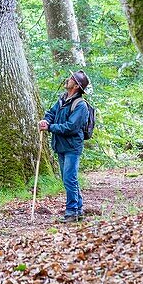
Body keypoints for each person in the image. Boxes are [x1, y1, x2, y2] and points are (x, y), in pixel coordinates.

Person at [39, 70, 91, 222]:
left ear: (76, 85)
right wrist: (46, 121)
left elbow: (71, 127)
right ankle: (78, 209)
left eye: (71, 79)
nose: (67, 80)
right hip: (60, 145)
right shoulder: (62, 99)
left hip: (72, 147)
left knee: (69, 178)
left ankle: (71, 212)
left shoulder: (81, 106)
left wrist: (50, 128)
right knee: (68, 178)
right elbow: (51, 113)